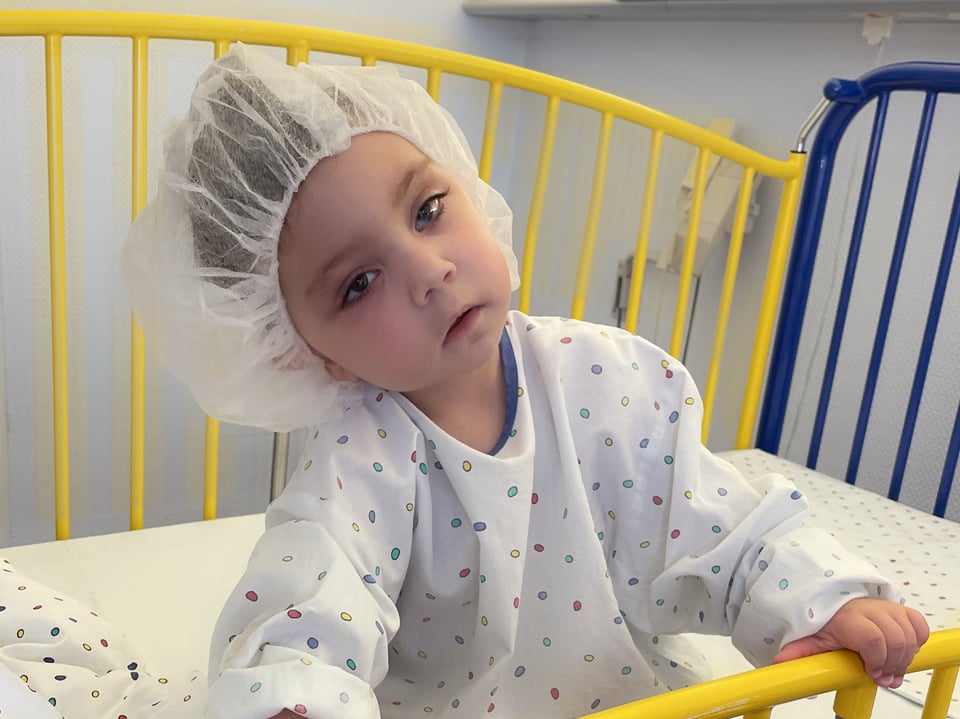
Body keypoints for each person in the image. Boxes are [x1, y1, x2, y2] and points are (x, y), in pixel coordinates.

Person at [122, 44, 928, 719]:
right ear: (306, 351)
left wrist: (820, 599)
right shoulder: (359, 462)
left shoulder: (608, 377)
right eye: (359, 283)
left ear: (466, 186)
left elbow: (725, 527)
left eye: (428, 209)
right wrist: (294, 696)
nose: (429, 271)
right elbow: (309, 607)